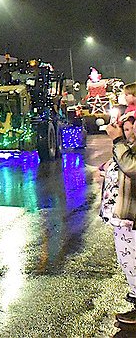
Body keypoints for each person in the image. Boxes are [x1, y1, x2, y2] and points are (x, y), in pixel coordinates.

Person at [103, 110, 136, 324]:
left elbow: (131, 166)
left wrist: (117, 141)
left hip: (132, 217)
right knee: (128, 260)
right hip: (126, 216)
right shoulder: (129, 145)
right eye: (126, 129)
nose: (130, 131)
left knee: (132, 260)